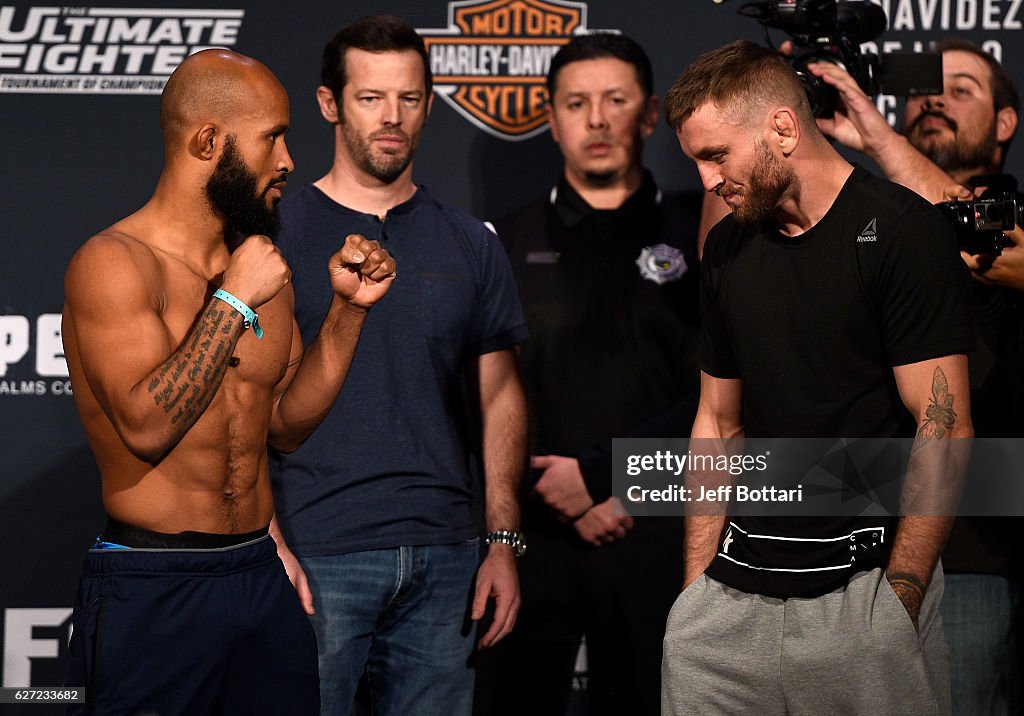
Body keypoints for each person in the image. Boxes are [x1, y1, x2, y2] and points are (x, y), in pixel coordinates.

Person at [62, 49, 396, 715]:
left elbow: (286, 430)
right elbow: (147, 427)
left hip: (257, 576)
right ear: (208, 141)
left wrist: (348, 312)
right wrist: (234, 302)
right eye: (272, 136)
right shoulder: (114, 263)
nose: (288, 161)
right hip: (152, 583)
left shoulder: (259, 268)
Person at [662, 40, 974, 714]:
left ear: (781, 127)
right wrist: (695, 592)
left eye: (717, 155)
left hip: (864, 595)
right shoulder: (727, 247)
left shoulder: (901, 232)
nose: (710, 180)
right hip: (730, 603)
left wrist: (902, 599)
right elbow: (718, 420)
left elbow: (942, 422)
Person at [267, 15, 528, 716]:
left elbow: (500, 396)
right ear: (330, 104)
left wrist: (501, 540)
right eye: (371, 98)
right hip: (318, 550)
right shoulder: (275, 236)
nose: (392, 118)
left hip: (446, 559)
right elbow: (235, 404)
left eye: (409, 99)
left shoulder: (471, 243)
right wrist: (267, 542)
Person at [794, 38, 1023, 715]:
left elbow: (979, 238)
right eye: (923, 87)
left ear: (1007, 122)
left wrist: (877, 135)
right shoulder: (869, 218)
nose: (935, 100)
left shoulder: (999, 225)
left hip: (979, 551)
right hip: (857, 545)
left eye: (962, 89)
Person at [478, 32, 700, 716]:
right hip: (534, 543)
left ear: (653, 113)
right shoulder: (501, 241)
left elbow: (719, 395)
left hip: (659, 536)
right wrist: (555, 494)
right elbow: (486, 395)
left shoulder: (703, 233)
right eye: (577, 103)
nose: (597, 121)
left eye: (615, 100)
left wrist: (616, 483)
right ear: (551, 118)